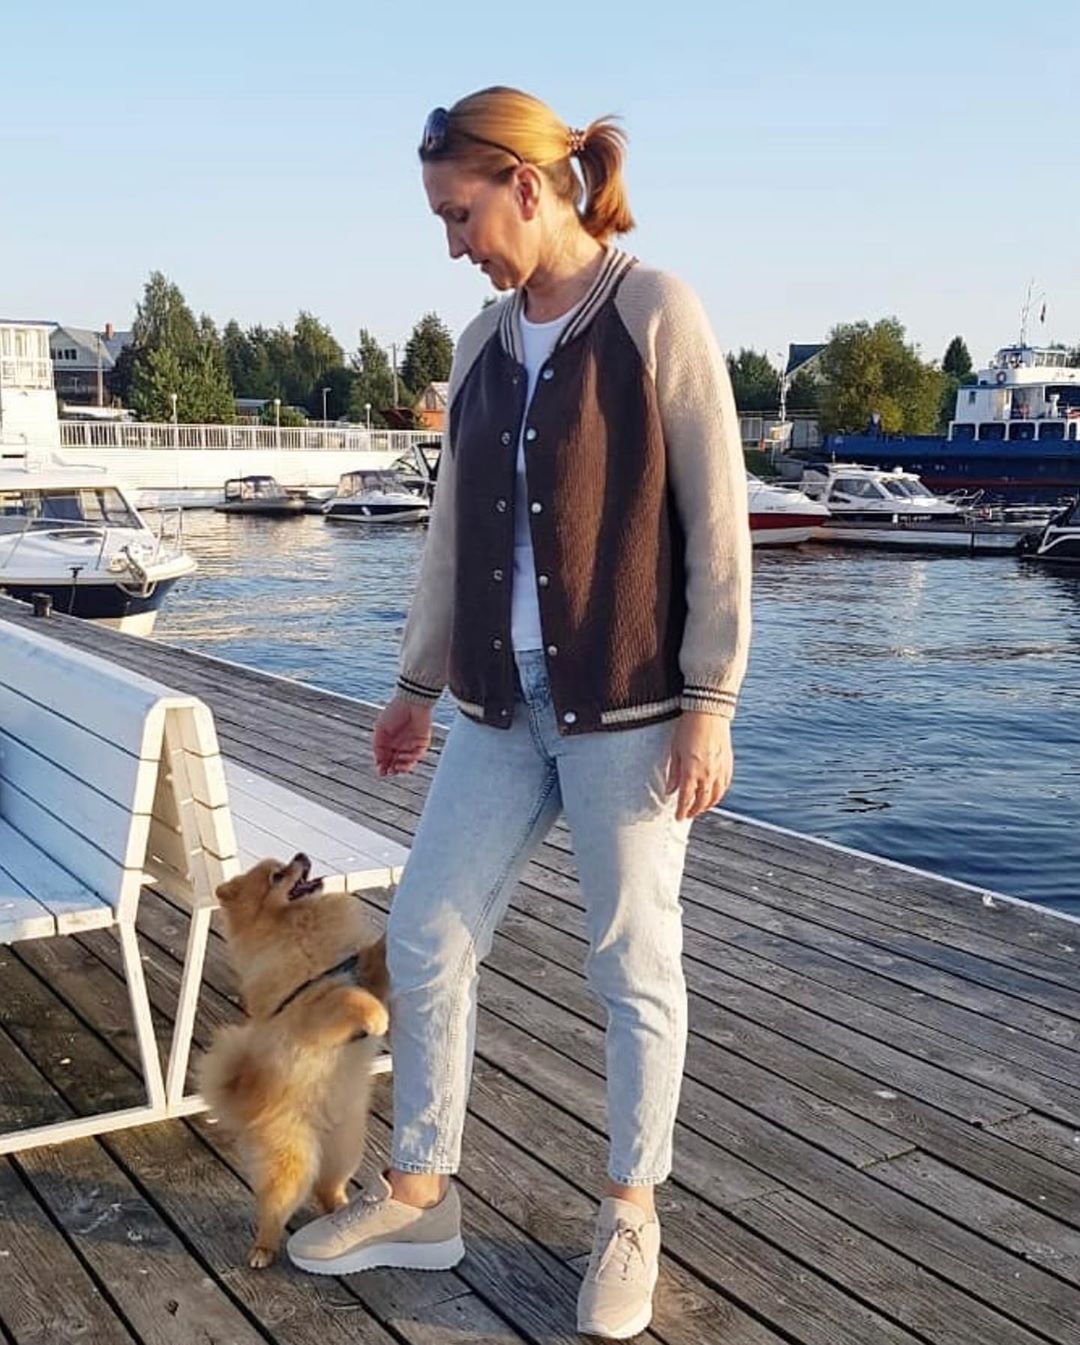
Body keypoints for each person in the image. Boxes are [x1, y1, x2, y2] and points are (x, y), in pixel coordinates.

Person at [287, 86, 751, 1340]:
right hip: (498, 703)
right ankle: (422, 1194)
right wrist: (412, 687)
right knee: (428, 931)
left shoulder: (655, 311)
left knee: (632, 959)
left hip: (633, 703)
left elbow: (717, 521)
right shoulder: (482, 345)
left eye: (460, 214)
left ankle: (631, 1210)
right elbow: (450, 535)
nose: (453, 244)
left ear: (528, 186)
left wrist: (711, 699)